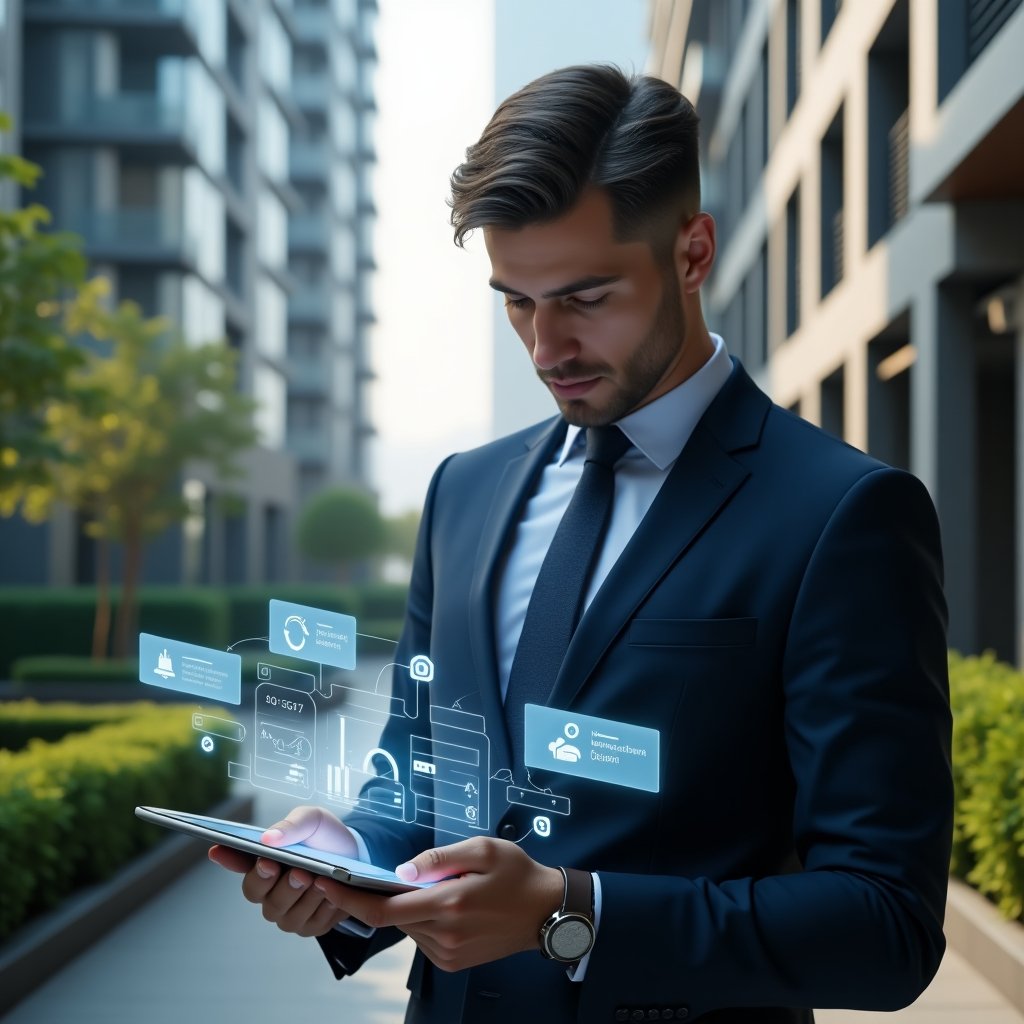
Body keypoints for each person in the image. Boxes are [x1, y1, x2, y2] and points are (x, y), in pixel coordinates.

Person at [211, 64, 953, 1023]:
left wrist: (572, 915)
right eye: (517, 301)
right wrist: (349, 861)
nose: (545, 347)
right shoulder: (463, 492)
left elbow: (886, 927)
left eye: (586, 297)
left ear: (693, 253)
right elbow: (425, 775)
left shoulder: (843, 514)